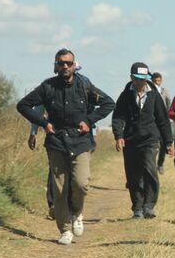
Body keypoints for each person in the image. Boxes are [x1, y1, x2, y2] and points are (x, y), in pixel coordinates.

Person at [17, 48, 114, 245]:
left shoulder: (85, 85)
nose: (65, 66)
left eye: (68, 63)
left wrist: (89, 120)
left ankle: (77, 212)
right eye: (61, 63)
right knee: (59, 188)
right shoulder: (47, 87)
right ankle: (64, 229)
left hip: (80, 141)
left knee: (81, 183)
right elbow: (23, 105)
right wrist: (44, 123)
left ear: (74, 65)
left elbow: (108, 103)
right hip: (57, 141)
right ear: (55, 65)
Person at [112, 62, 174, 218]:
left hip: (150, 140)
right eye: (138, 79)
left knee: (150, 171)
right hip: (131, 140)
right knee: (133, 175)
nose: (141, 82)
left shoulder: (154, 95)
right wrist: (119, 136)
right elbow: (118, 117)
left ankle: (149, 205)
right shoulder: (125, 95)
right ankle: (137, 207)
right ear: (132, 78)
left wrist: (168, 142)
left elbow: (163, 119)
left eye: (144, 79)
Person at [151, 72, 171, 174]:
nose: (157, 83)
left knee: (163, 144)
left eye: (159, 81)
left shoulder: (165, 91)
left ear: (161, 81)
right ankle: (151, 164)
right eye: (155, 81)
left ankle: (160, 164)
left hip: (163, 121)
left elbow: (168, 105)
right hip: (153, 121)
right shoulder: (150, 91)